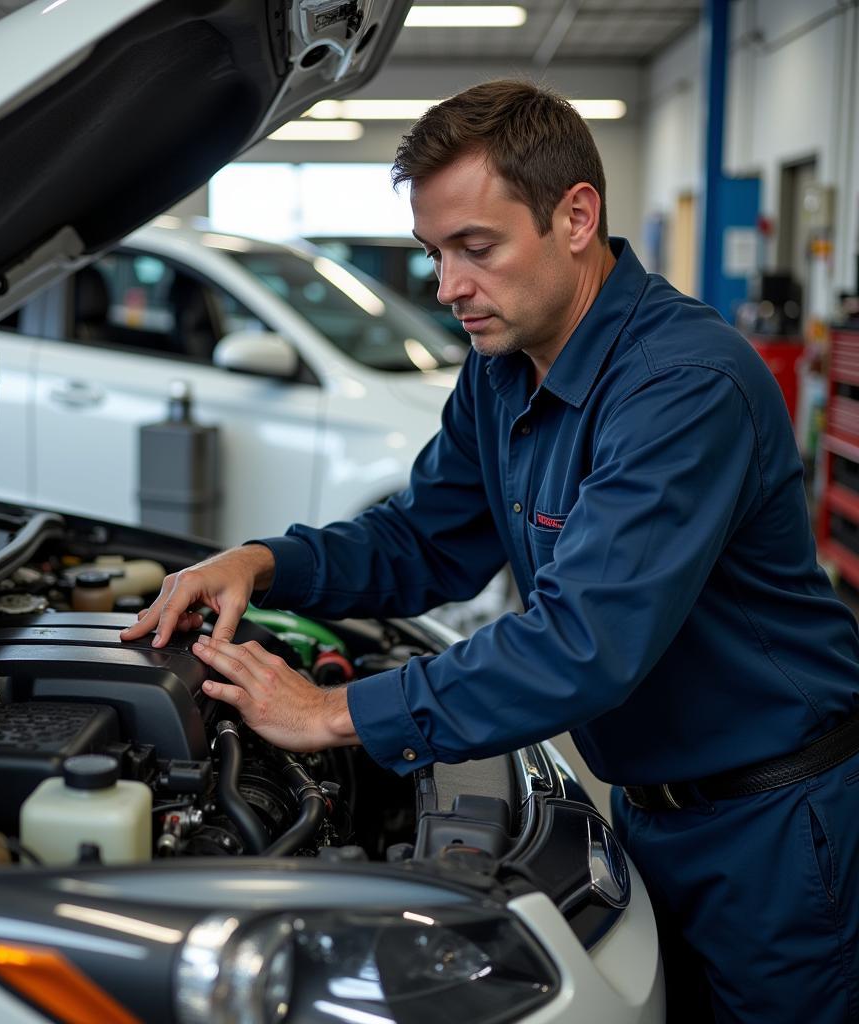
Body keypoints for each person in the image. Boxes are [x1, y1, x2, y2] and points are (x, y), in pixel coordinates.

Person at [122, 80, 859, 1022]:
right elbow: (425, 540)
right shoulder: (502, 371)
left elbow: (582, 642)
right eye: (435, 253)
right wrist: (265, 564)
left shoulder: (685, 385)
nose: (447, 287)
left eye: (477, 248)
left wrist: (336, 713)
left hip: (774, 830)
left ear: (576, 217)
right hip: (649, 806)